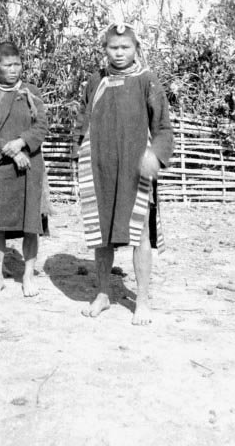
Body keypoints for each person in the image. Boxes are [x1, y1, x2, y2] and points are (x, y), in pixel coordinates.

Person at [74, 20, 174, 324]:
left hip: (135, 170)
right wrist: (76, 156)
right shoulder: (96, 80)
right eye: (113, 47)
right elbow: (82, 121)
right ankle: (103, 293)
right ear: (105, 49)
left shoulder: (147, 81)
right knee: (101, 234)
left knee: (140, 234)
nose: (119, 53)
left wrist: (155, 155)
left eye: (125, 47)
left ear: (136, 48)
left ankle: (141, 300)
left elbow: (163, 128)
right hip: (101, 168)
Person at [0, 41, 48, 297]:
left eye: (17, 64)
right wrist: (9, 150)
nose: (14, 70)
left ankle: (28, 276)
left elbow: (42, 126)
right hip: (0, 168)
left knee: (31, 224)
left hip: (30, 167)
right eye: (8, 65)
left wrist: (21, 143)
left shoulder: (31, 91)